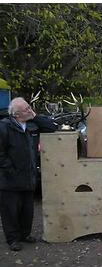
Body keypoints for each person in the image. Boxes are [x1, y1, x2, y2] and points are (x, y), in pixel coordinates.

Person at [0, 97, 57, 251]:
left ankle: (25, 234)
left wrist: (35, 116)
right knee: (10, 210)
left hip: (29, 175)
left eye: (29, 107)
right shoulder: (4, 127)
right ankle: (13, 239)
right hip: (10, 177)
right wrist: (9, 169)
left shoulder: (32, 124)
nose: (29, 110)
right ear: (17, 115)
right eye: (26, 109)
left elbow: (52, 127)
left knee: (27, 209)